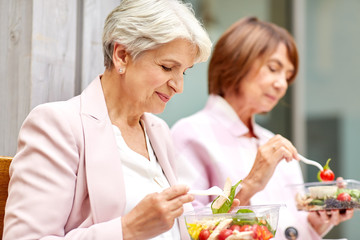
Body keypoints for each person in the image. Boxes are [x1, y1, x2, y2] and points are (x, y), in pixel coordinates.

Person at [3, 0, 212, 239]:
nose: (179, 86)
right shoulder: (57, 125)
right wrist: (128, 229)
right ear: (122, 56)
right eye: (167, 67)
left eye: (183, 71)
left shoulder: (158, 131)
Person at [171, 17, 353, 240]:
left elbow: (291, 231)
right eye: (273, 68)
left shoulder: (273, 143)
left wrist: (319, 219)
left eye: (287, 76)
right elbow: (184, 230)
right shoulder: (191, 134)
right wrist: (251, 185)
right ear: (235, 62)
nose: (282, 84)